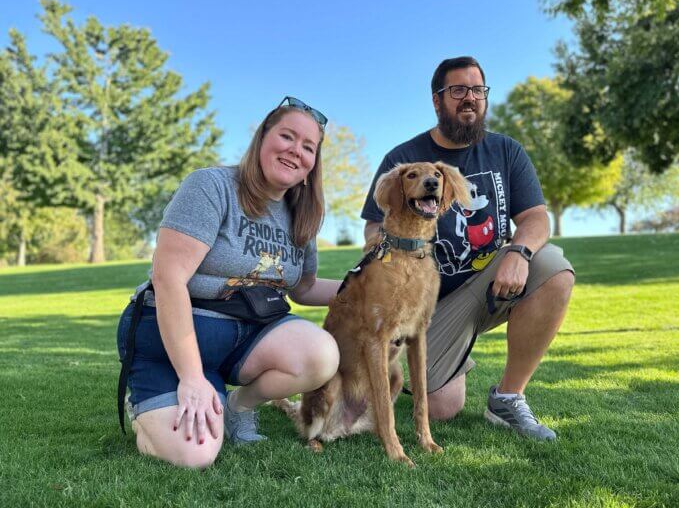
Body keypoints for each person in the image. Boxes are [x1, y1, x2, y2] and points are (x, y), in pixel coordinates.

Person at [117, 97, 341, 468]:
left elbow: (303, 288)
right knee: (195, 455)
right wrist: (190, 377)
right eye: (287, 136)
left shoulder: (303, 215)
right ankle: (148, 402)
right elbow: (168, 277)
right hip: (171, 334)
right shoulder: (212, 186)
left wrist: (372, 287)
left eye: (308, 147)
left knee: (321, 353)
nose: (295, 151)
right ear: (262, 138)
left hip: (247, 337)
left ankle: (237, 405)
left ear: (312, 165)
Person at [361, 57, 575, 441]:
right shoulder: (402, 159)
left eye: (478, 90)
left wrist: (518, 253)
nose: (470, 99)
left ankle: (509, 396)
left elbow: (536, 219)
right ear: (437, 100)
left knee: (554, 267)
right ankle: (453, 357)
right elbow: (374, 230)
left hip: (494, 277)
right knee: (443, 408)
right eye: (458, 90)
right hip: (432, 300)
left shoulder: (506, 151)